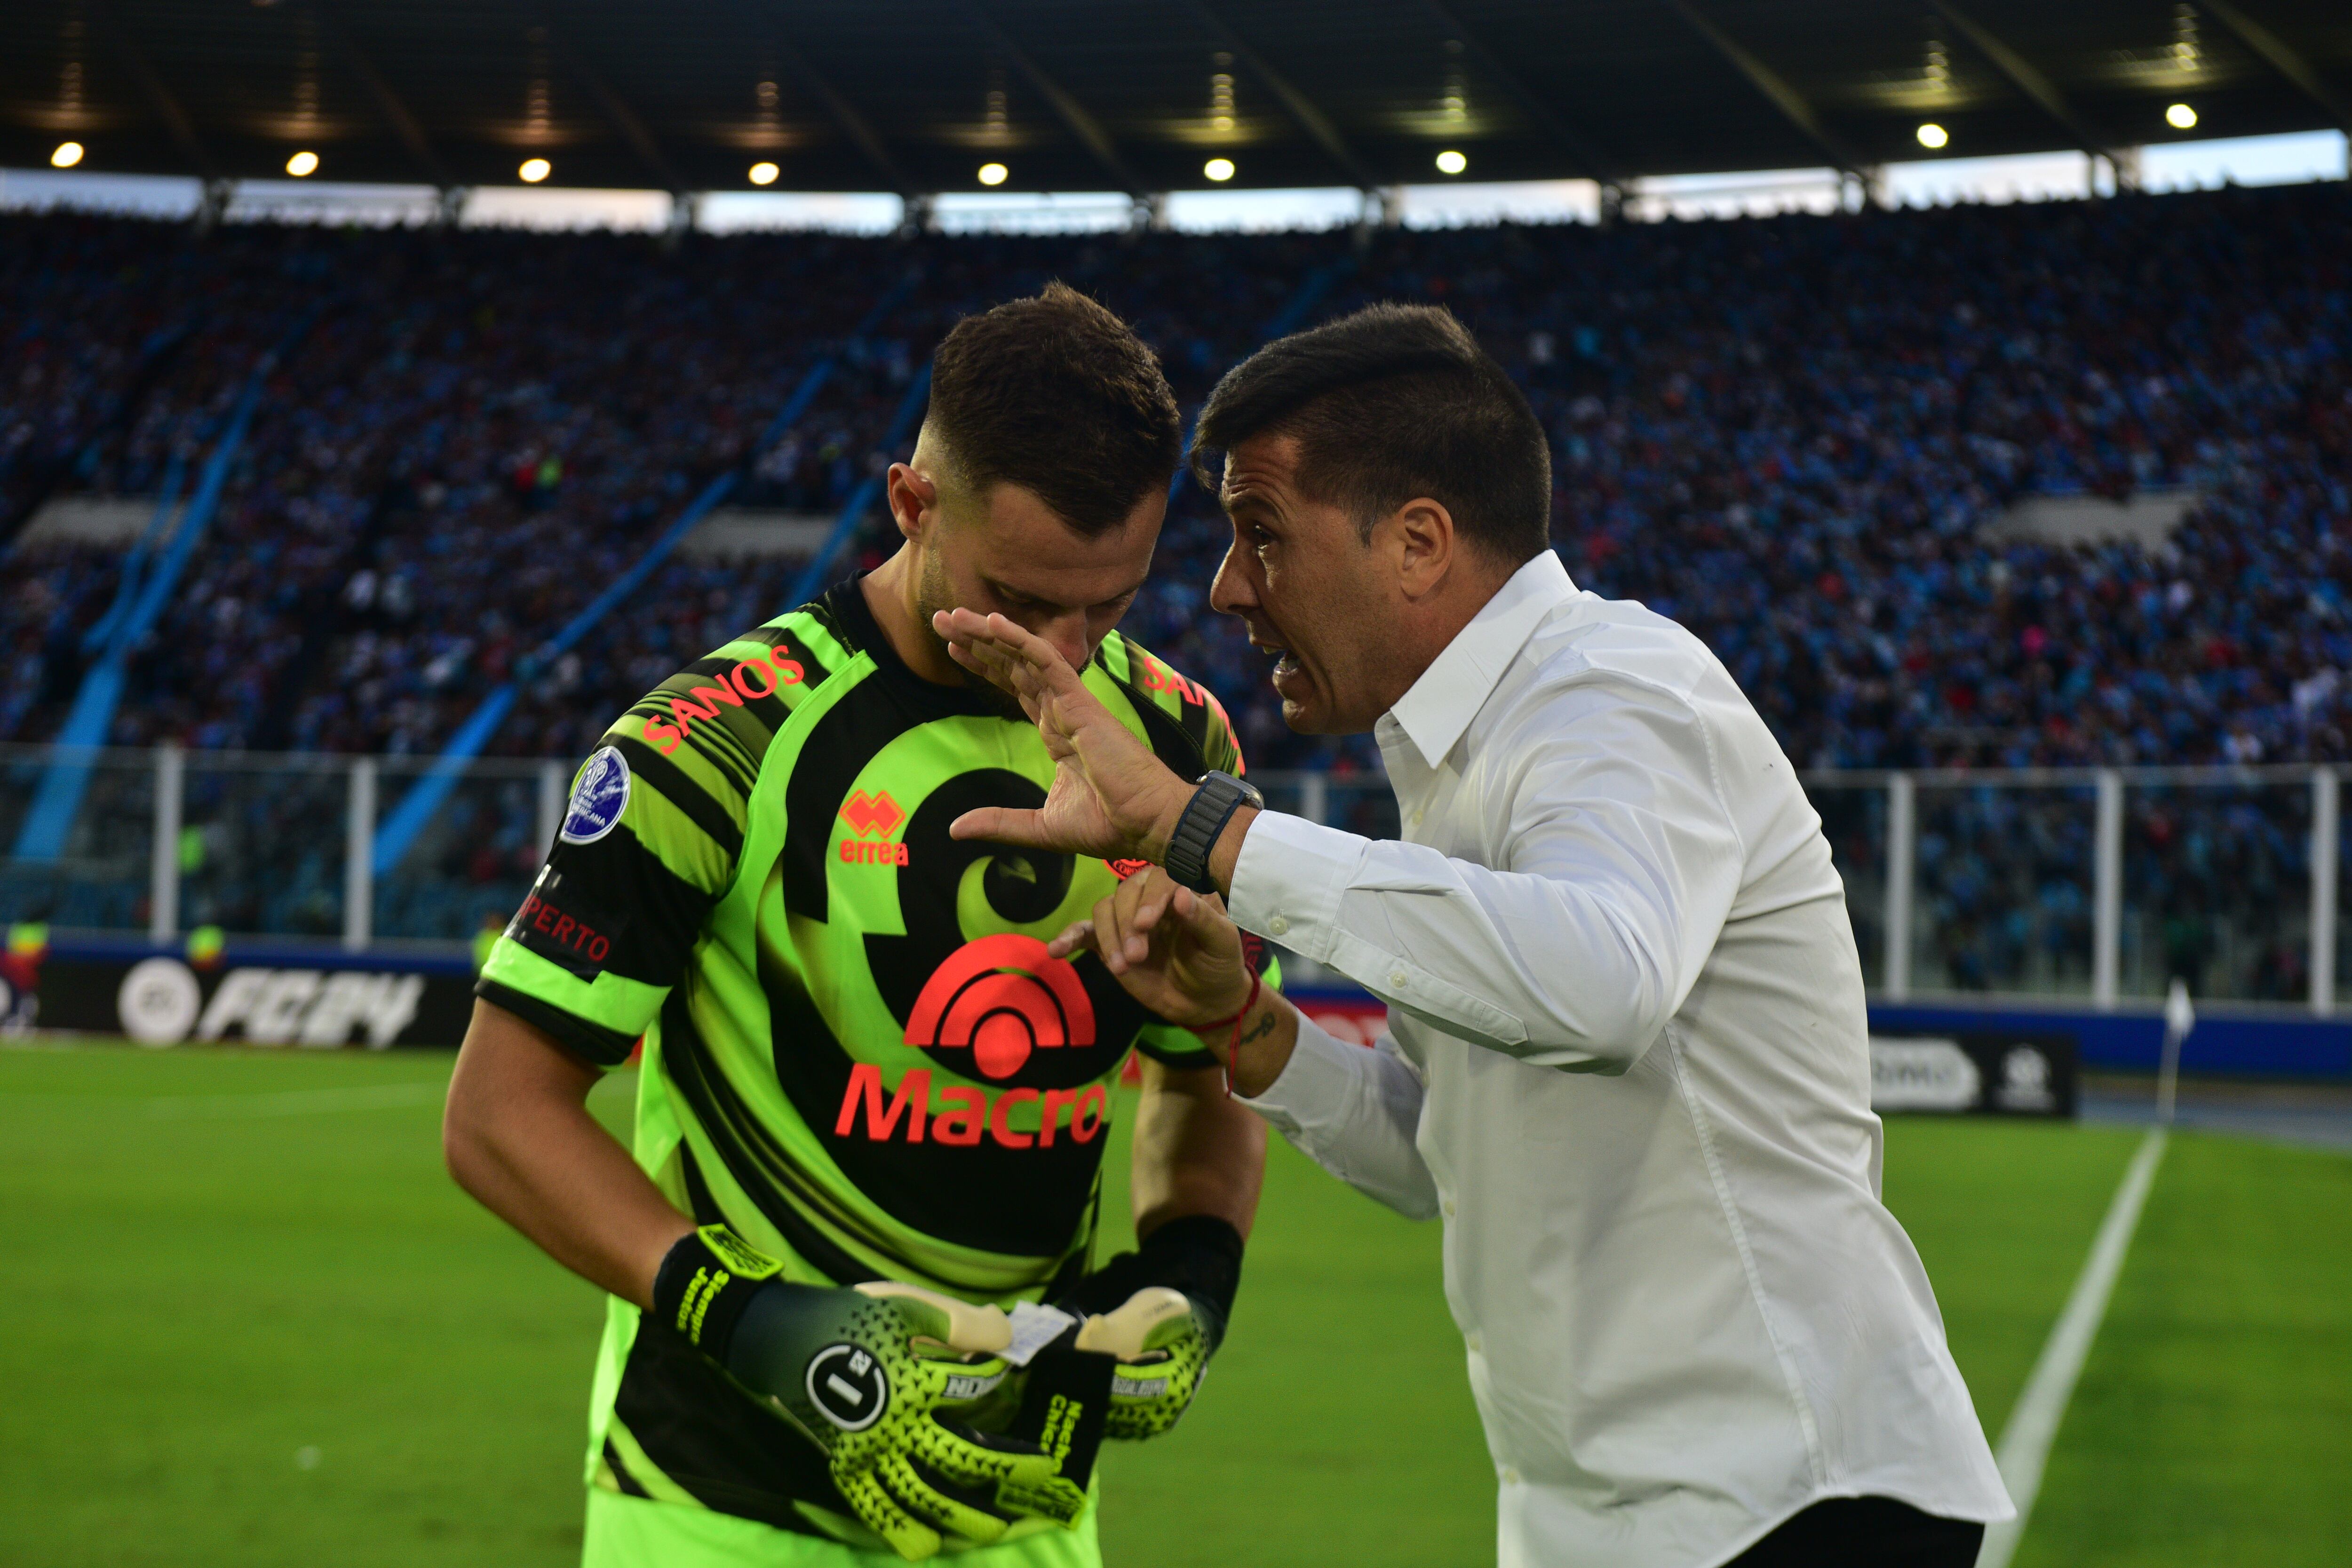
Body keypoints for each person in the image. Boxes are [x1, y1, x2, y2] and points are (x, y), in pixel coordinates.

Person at [933, 303, 2013, 1568]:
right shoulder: (1463, 759)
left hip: (1788, 1501)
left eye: (1262, 535)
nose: (1228, 588)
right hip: (1616, 1521)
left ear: (1420, 543)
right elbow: (1450, 1156)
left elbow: (1606, 987)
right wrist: (1249, 1028)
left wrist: (1201, 827)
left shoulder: (1612, 690)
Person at [443, 285, 1272, 1568]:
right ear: (913, 503)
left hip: (1021, 1500)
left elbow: (1198, 1076)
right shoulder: (708, 746)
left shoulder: (1177, 745)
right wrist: (755, 1324)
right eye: (1019, 598)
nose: (1060, 652)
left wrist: (1192, 1278)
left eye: (1108, 606)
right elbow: (500, 1115)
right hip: (715, 1499)